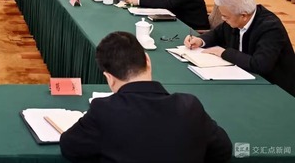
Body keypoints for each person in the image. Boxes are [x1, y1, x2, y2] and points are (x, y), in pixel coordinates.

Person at [60, 31, 232, 163]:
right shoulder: (190, 106)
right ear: (148, 61)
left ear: (109, 78)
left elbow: (70, 147)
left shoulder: (103, 110)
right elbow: (223, 150)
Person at [185, 0, 295, 96]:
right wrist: (200, 40)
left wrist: (224, 53)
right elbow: (217, 34)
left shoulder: (270, 28)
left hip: (275, 89)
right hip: (243, 78)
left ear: (244, 16)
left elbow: (260, 65)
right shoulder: (235, 18)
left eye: (226, 17)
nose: (223, 19)